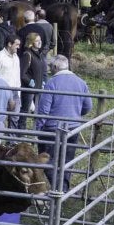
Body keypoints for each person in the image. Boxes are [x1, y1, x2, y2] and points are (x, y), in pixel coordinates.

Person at [37, 54, 93, 188]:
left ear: (55, 67)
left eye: (51, 67)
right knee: (66, 161)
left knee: (47, 161)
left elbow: (44, 109)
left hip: (52, 129)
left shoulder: (52, 83)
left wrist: (39, 128)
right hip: (73, 128)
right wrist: (76, 114)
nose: (50, 69)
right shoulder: (81, 82)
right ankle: (64, 189)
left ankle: (58, 188)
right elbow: (88, 106)